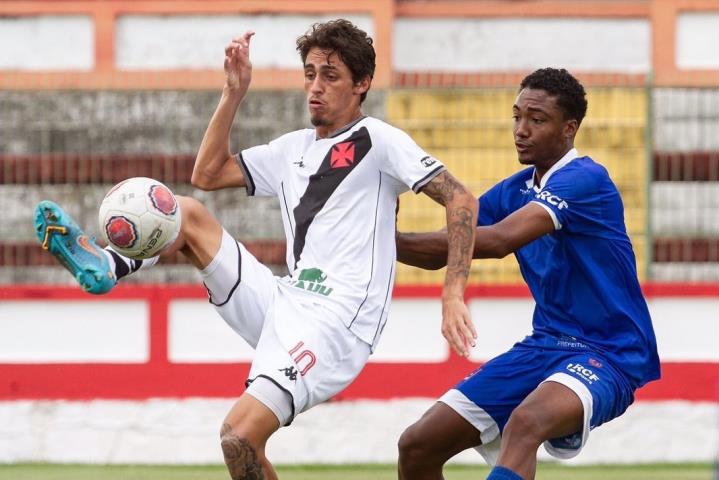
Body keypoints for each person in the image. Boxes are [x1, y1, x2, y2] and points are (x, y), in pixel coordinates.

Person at [33, 19, 478, 480]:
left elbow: (460, 198)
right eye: (310, 74)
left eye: (330, 76)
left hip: (337, 323)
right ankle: (108, 263)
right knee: (186, 212)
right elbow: (207, 175)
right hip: (283, 301)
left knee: (239, 436)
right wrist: (234, 91)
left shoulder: (379, 142)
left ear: (362, 83)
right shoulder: (292, 149)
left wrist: (452, 293)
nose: (315, 88)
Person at [395, 68, 660, 480]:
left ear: (569, 128)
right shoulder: (516, 188)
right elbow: (450, 243)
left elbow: (499, 240)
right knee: (417, 445)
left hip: (609, 353)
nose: (521, 129)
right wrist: (382, 239)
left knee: (526, 423)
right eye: (517, 117)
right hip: (543, 347)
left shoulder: (586, 180)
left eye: (537, 120)